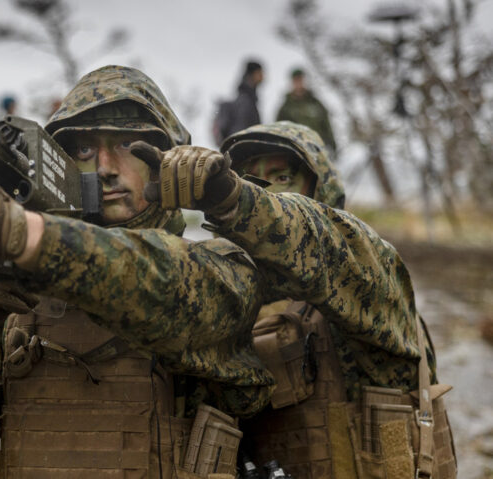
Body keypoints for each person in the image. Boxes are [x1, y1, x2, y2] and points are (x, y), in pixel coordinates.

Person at [0, 65, 277, 478]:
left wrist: (29, 240)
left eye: (127, 144)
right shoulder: (15, 295)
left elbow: (160, 284)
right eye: (84, 150)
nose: (104, 167)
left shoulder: (221, 268)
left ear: (167, 157)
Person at [137, 121, 457, 478]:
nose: (262, 188)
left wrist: (233, 197)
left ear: (321, 189)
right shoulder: (234, 293)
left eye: (282, 176)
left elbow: (317, 242)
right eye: (248, 178)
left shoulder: (368, 273)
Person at [276, 68, 337, 153]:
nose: (299, 83)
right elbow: (279, 129)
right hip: (295, 150)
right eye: (296, 80)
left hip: (317, 150)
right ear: (292, 82)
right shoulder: (286, 107)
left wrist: (332, 145)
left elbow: (326, 125)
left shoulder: (315, 103)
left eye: (300, 79)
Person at [213, 60, 264, 145]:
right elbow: (241, 131)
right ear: (253, 74)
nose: (263, 77)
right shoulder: (245, 102)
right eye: (260, 73)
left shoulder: (250, 100)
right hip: (242, 151)